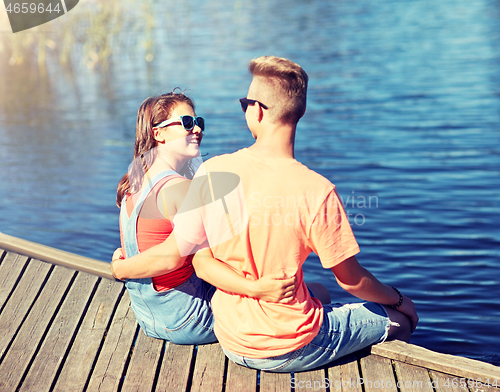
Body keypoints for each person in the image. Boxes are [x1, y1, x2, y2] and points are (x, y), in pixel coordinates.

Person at [113, 57, 419, 372]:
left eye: (245, 102)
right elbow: (352, 282)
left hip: (231, 337)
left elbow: (201, 263)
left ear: (257, 110)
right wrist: (397, 300)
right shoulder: (318, 190)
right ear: (298, 111)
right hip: (289, 345)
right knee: (399, 320)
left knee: (321, 292)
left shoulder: (212, 170)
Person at [112, 91, 296, 345]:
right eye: (187, 123)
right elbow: (171, 257)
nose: (197, 129)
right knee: (301, 296)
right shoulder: (178, 189)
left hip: (149, 317)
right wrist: (119, 269)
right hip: (188, 319)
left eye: (199, 122)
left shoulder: (134, 182)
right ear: (159, 133)